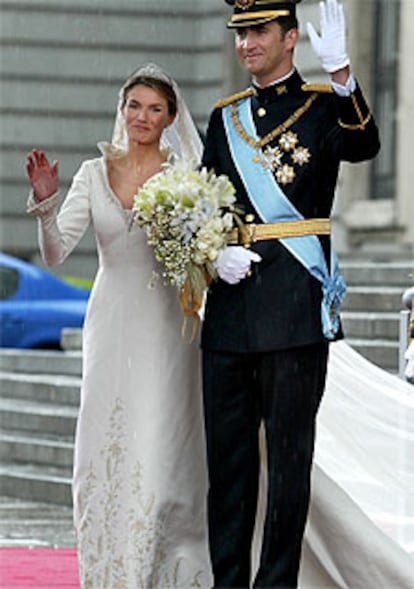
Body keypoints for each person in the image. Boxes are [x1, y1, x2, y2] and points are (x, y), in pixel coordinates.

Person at [200, 1, 380, 587]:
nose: (247, 43)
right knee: (227, 467)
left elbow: (366, 146)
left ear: (290, 37)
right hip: (229, 310)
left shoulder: (326, 108)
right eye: (240, 34)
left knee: (288, 462)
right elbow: (207, 204)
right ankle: (228, 580)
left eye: (258, 31)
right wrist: (211, 252)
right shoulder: (224, 117)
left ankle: (275, 583)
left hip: (294, 308)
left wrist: (344, 74)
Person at [26, 63, 213, 589]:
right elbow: (56, 253)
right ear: (121, 108)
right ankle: (111, 568)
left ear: (171, 117)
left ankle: (167, 566)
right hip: (110, 324)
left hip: (169, 326)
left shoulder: (185, 177)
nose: (142, 118)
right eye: (135, 106)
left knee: (163, 442)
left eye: (155, 109)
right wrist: (46, 204)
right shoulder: (92, 172)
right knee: (104, 443)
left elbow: (201, 256)